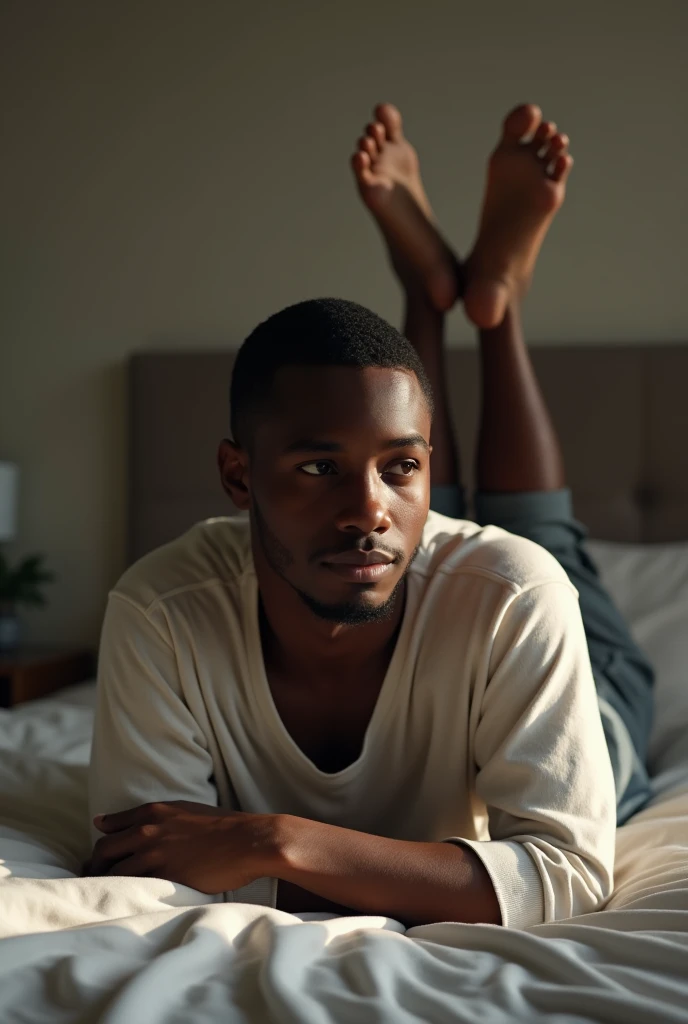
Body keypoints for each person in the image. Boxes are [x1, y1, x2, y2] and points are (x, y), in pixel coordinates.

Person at [87, 103, 649, 930]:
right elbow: (145, 867)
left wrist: (277, 843)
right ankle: (436, 290)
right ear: (237, 476)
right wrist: (455, 880)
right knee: (416, 532)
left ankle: (498, 308)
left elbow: (565, 872)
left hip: (589, 694)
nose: (367, 511)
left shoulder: (519, 597)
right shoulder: (161, 611)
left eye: (403, 469)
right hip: (440, 592)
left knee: (540, 546)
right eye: (318, 467)